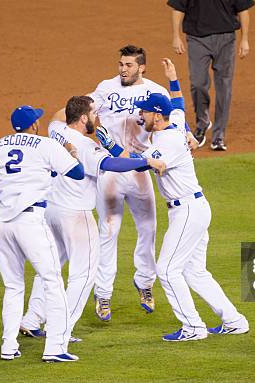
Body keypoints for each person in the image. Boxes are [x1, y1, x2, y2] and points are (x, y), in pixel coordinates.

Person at [96, 93, 249, 341]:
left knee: (167, 270)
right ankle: (234, 320)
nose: (139, 115)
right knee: (195, 272)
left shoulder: (168, 141)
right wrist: (174, 81)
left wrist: (111, 147)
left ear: (157, 115)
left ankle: (193, 328)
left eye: (144, 111)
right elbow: (177, 107)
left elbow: (141, 163)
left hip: (188, 210)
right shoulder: (173, 127)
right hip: (193, 208)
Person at [19, 96, 166, 340]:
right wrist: (146, 161)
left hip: (51, 211)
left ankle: (32, 319)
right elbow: (115, 165)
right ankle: (61, 332)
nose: (97, 118)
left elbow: (56, 118)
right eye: (94, 113)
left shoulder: (56, 131)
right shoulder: (86, 147)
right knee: (83, 275)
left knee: (51, 268)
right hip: (75, 216)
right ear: (84, 118)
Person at [0, 105, 83, 362]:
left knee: (13, 286)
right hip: (31, 223)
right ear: (34, 125)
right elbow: (77, 173)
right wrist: (71, 153)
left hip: (4, 225)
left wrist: (3, 186)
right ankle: (55, 348)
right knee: (52, 281)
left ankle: (8, 347)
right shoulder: (45, 145)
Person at [89, 45, 171, 321]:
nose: (123, 69)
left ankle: (145, 284)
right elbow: (83, 113)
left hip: (139, 168)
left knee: (148, 228)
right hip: (111, 169)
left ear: (142, 67)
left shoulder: (156, 91)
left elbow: (169, 125)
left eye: (128, 65)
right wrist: (94, 134)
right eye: (121, 64)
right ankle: (102, 294)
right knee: (109, 231)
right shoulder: (104, 87)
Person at [168, 0, 255, 151]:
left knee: (224, 87)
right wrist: (176, 36)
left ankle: (219, 134)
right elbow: (178, 8)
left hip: (226, 39)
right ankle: (202, 123)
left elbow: (243, 10)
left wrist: (245, 39)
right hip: (197, 39)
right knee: (197, 83)